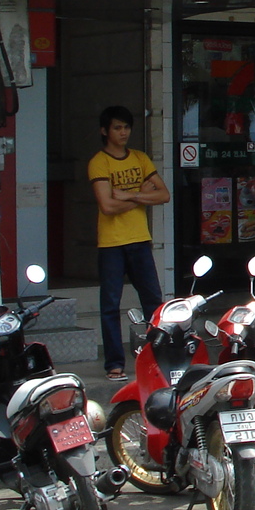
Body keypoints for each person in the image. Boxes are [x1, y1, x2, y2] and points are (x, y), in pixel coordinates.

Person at [89, 106, 169, 380]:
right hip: (111, 242)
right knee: (110, 304)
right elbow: (107, 206)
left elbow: (164, 195)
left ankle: (158, 357)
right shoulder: (99, 162)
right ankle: (114, 363)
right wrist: (139, 195)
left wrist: (126, 194)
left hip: (140, 239)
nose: (123, 133)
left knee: (153, 302)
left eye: (126, 127)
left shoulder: (140, 158)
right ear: (105, 131)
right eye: (117, 128)